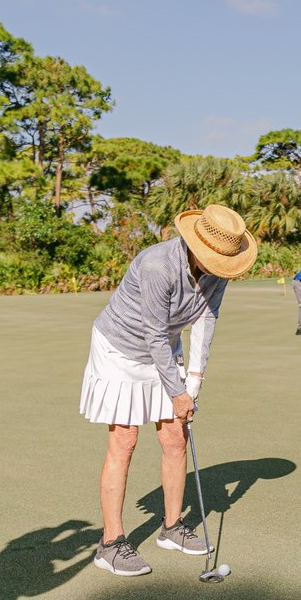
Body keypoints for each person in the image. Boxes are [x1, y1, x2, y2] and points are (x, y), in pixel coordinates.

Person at [79, 204, 257, 576]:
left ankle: (172, 528)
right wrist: (177, 393)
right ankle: (110, 543)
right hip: (121, 349)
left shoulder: (218, 269)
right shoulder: (157, 264)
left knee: (175, 437)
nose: (219, 267)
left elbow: (207, 320)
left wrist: (194, 383)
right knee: (124, 440)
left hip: (164, 347)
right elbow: (154, 333)